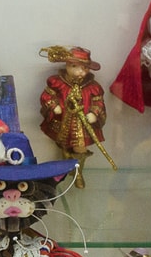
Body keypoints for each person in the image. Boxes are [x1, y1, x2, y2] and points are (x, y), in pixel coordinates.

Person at [39, 46, 108, 188]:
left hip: (82, 124)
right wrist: (54, 105)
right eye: (77, 67)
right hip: (63, 121)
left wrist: (94, 113)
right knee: (64, 144)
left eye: (85, 68)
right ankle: (66, 169)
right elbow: (47, 95)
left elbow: (98, 101)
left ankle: (78, 173)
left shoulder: (93, 86)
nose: (82, 72)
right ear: (68, 66)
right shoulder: (57, 82)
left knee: (80, 148)